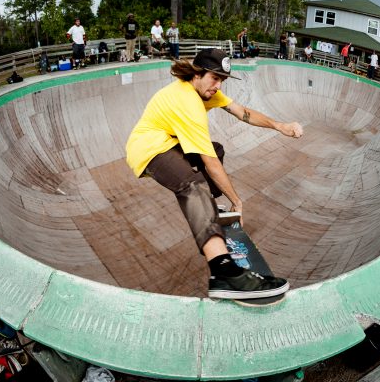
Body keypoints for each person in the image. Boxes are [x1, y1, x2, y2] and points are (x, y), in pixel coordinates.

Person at [125, 48, 303, 300]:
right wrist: (236, 200)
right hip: (149, 148)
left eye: (222, 80)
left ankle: (208, 207)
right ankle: (224, 272)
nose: (218, 86)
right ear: (197, 74)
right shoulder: (187, 101)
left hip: (169, 142)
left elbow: (244, 113)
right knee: (193, 183)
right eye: (214, 78)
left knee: (216, 149)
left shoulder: (209, 92)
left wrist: (279, 126)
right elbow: (209, 163)